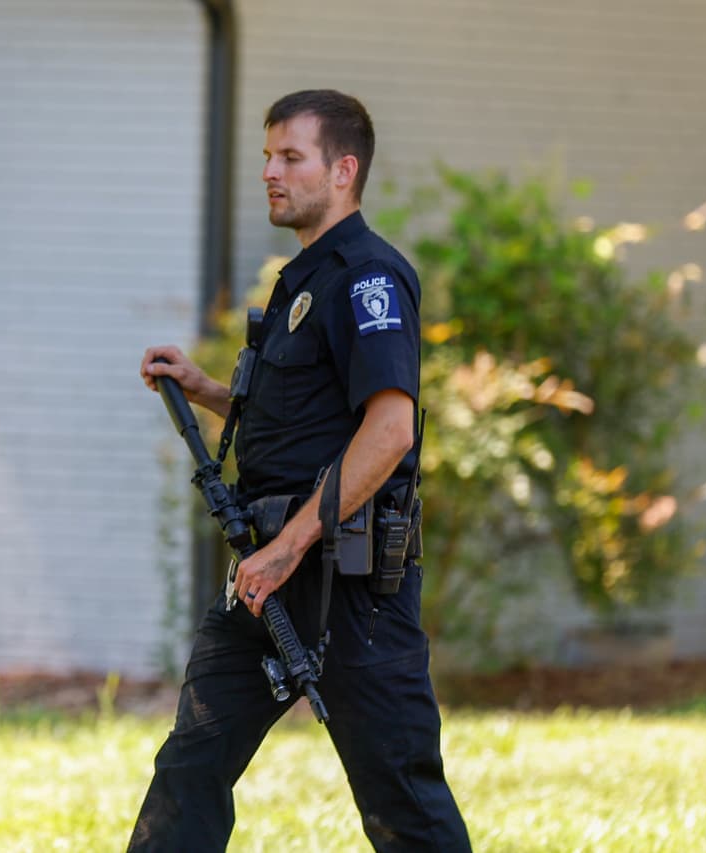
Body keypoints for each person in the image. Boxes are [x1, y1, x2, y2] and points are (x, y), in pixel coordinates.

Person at [129, 90, 471, 852]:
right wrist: (209, 390)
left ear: (343, 169)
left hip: (347, 588)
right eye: (266, 157)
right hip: (266, 573)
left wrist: (287, 548)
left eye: (290, 157)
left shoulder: (370, 277)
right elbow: (301, 426)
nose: (270, 172)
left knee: (400, 793)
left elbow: (387, 434)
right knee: (191, 764)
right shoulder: (301, 279)